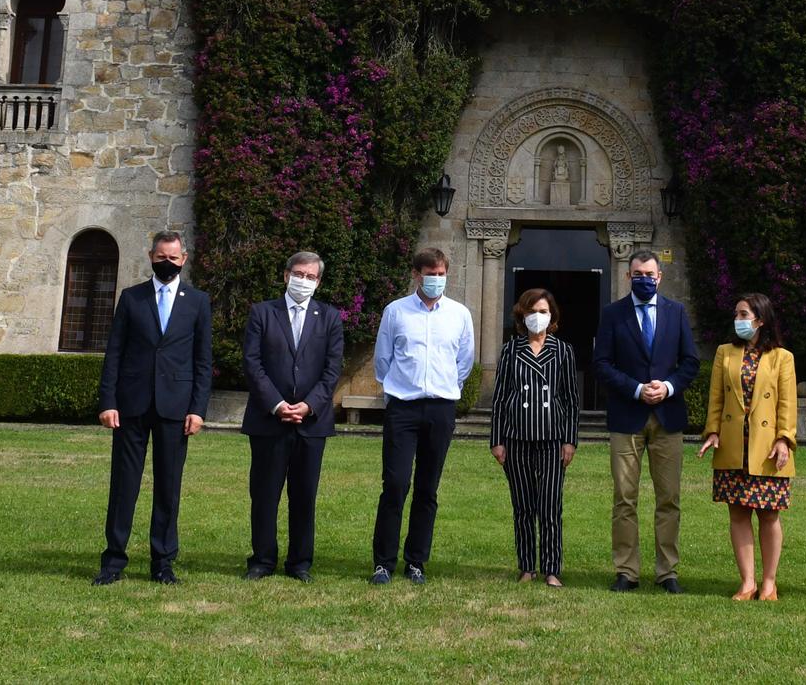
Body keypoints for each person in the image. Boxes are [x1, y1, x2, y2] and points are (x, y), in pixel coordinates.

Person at [94, 230, 213, 586]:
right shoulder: (132, 298)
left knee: (168, 487)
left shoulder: (198, 302)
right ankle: (113, 561)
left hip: (175, 408)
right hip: (131, 406)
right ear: (150, 256)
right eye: (161, 257)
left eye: (173, 258)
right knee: (124, 486)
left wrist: (198, 409)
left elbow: (202, 361)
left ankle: (162, 562)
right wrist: (108, 401)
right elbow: (114, 353)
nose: (167, 263)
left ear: (184, 259)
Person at [593, 248, 700, 593]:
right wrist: (637, 389)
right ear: (628, 276)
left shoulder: (676, 312)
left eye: (650, 275)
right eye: (637, 274)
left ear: (660, 277)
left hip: (668, 418)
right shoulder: (613, 314)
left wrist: (667, 387)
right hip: (627, 416)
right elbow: (602, 364)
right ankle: (627, 571)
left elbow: (690, 362)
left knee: (668, 498)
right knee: (625, 498)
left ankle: (667, 572)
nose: (644, 279)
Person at [369, 247, 474, 586]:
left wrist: (445, 388)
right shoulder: (395, 312)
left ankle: (416, 561)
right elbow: (383, 360)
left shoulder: (459, 314)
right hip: (403, 406)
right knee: (396, 484)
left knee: (428, 488)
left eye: (442, 274)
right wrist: (397, 390)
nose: (436, 280)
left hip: (441, 408)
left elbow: (464, 361)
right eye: (431, 274)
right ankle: (383, 562)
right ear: (416, 275)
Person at [240, 250, 344, 583]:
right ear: (286, 276)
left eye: (311, 277)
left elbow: (332, 369)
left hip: (312, 423)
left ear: (319, 281)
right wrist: (276, 404)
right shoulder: (262, 313)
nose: (304, 281)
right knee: (265, 493)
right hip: (269, 420)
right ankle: (262, 559)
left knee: (304, 495)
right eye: (299, 274)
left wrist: (309, 405)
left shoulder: (329, 317)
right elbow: (252, 364)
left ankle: (300, 562)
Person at [698, 293, 798, 601]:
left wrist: (784, 439)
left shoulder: (783, 357)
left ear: (760, 320)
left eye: (744, 314)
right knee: (738, 513)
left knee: (769, 514)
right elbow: (716, 398)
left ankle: (769, 583)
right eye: (737, 314)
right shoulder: (724, 353)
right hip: (732, 445)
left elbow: (787, 403)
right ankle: (747, 582)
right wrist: (712, 431)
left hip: (767, 448)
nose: (738, 320)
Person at [488, 288, 580, 587]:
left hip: (552, 439)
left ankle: (552, 569)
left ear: (551, 315)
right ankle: (527, 567)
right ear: (521, 315)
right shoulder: (510, 350)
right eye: (531, 311)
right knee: (523, 507)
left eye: (542, 311)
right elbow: (500, 398)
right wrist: (497, 439)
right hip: (517, 438)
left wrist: (570, 440)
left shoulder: (563, 351)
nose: (537, 317)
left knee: (551, 506)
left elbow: (570, 399)